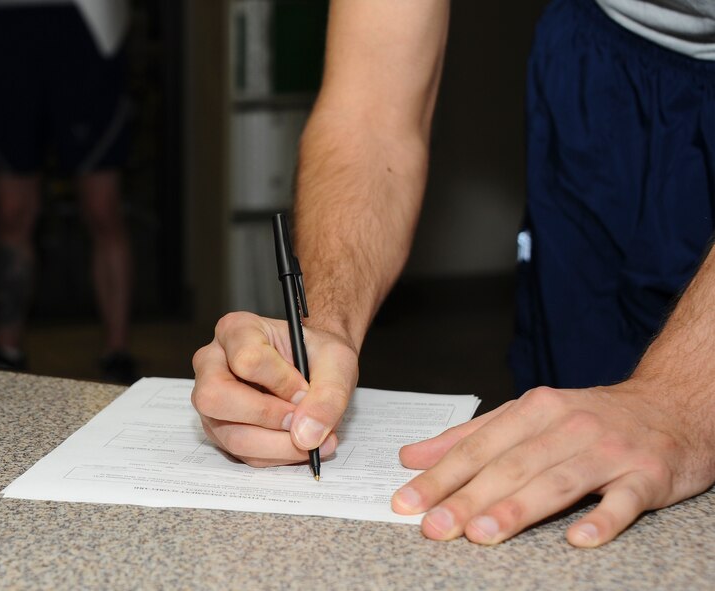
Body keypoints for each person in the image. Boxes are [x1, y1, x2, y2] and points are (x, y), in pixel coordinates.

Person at [191, 0, 715, 547]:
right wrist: (325, 326)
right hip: (599, 65)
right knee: (563, 447)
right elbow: (371, 111)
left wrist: (678, 402)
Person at [0, 0, 138, 383]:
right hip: (5, 22)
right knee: (12, 212)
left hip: (86, 24)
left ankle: (117, 350)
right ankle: (7, 348)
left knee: (102, 208)